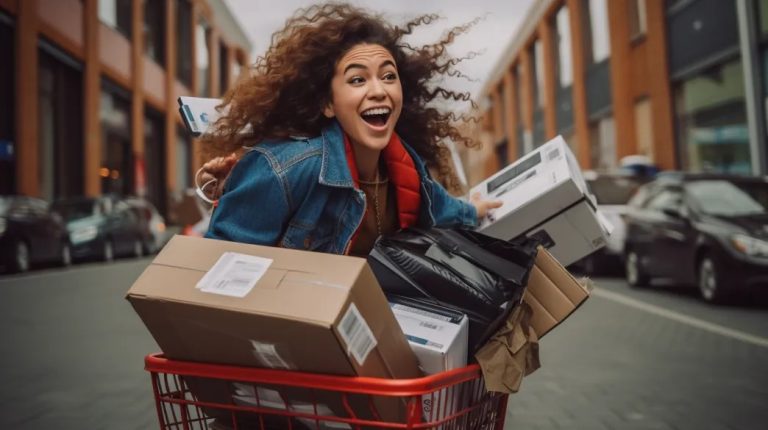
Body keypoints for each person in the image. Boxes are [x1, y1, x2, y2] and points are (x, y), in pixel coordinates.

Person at [202, 2, 501, 256]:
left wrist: (474, 210)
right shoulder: (284, 170)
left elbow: (442, 207)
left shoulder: (407, 170)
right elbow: (219, 263)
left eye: (388, 76)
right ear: (328, 104)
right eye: (358, 80)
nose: (378, 91)